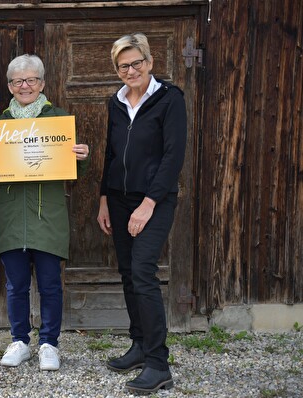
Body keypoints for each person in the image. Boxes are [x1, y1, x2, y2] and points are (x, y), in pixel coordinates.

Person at [0, 54, 90, 372]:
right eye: (17, 81)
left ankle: (49, 344)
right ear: (10, 86)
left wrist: (82, 156)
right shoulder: (0, 125)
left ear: (42, 82)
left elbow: (74, 168)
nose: (24, 86)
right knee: (16, 284)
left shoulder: (59, 120)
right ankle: (20, 341)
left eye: (31, 80)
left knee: (51, 284)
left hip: (47, 215)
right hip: (12, 216)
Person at [97, 33, 187, 394]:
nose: (131, 70)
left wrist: (148, 203)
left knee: (142, 271)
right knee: (127, 273)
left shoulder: (170, 99)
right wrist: (104, 197)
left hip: (155, 199)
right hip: (118, 200)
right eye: (124, 65)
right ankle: (138, 345)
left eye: (137, 63)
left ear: (150, 62)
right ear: (117, 70)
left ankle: (158, 363)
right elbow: (110, 153)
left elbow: (172, 157)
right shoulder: (116, 102)